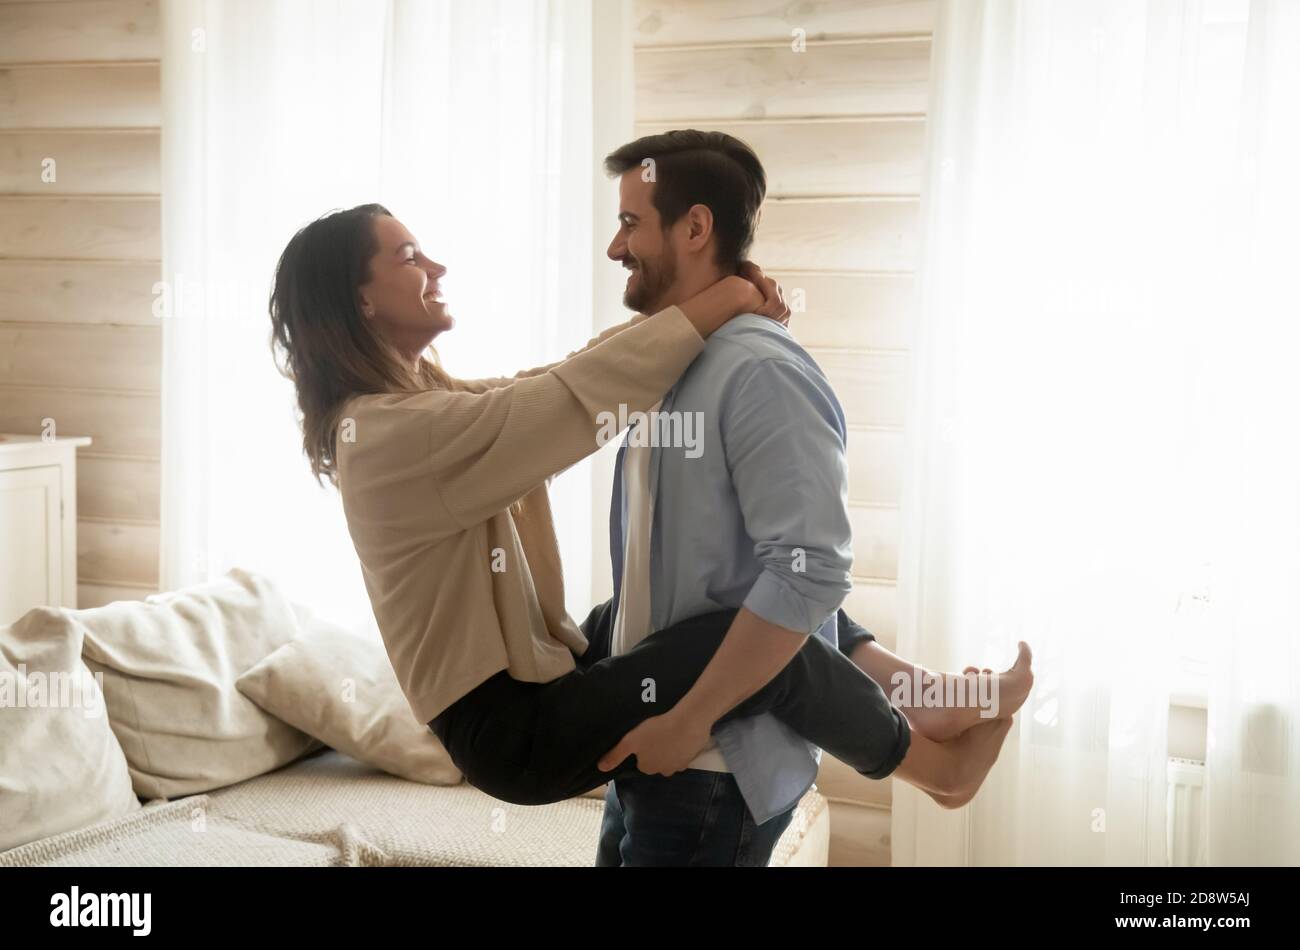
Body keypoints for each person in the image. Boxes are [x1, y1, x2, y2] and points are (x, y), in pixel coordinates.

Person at [267, 203, 1029, 819]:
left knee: (739, 596)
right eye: (408, 258)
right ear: (358, 298)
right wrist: (726, 296)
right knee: (756, 642)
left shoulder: (417, 404)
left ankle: (926, 695)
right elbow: (568, 401)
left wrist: (702, 307)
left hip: (545, 675)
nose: (434, 267)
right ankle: (939, 770)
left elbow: (558, 377)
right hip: (514, 730)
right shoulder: (386, 434)